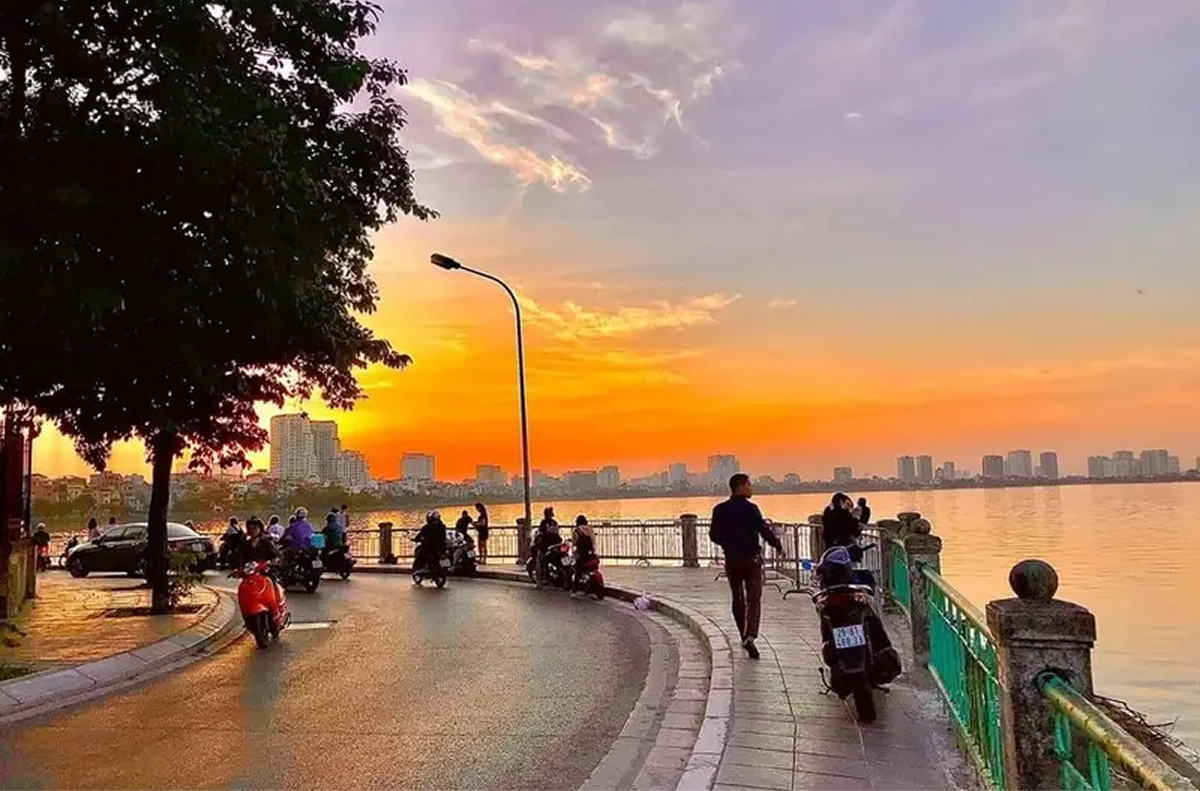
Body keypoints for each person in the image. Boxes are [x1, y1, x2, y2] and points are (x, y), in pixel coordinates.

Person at [709, 473, 782, 659]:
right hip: (751, 559)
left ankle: (743, 633)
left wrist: (728, 543)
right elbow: (763, 530)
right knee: (754, 598)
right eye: (749, 485)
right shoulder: (751, 509)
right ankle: (750, 635)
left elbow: (713, 535)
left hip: (732, 559)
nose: (751, 488)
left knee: (737, 597)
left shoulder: (720, 510)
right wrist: (777, 545)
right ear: (740, 486)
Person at [533, 506, 561, 588]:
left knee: (539, 562)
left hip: (546, 546)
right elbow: (557, 533)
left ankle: (539, 583)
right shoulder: (555, 523)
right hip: (557, 544)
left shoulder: (544, 523)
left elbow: (540, 534)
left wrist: (537, 540)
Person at [570, 516, 597, 597]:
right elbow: (593, 541)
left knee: (578, 570)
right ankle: (593, 591)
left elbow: (574, 543)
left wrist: (575, 554)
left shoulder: (576, 530)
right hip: (591, 553)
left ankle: (576, 590)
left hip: (582, 553)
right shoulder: (590, 529)